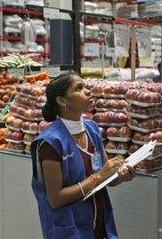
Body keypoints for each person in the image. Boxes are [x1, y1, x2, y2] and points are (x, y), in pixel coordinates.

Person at [30, 73, 136, 239]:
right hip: (70, 228)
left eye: (85, 86)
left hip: (98, 223)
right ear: (62, 101)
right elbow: (56, 199)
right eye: (78, 88)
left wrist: (121, 175)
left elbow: (108, 178)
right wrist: (99, 176)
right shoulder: (50, 143)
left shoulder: (92, 129)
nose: (87, 91)